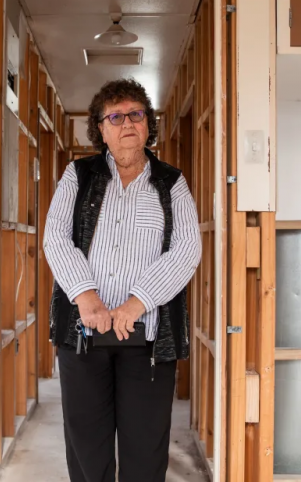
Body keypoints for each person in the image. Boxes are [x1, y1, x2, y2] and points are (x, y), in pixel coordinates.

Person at [43, 78, 201, 482]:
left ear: (148, 125)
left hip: (146, 339)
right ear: (100, 128)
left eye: (136, 113)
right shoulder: (78, 175)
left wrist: (136, 302)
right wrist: (86, 297)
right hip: (83, 335)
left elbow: (186, 250)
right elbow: (55, 236)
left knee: (145, 452)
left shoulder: (171, 183)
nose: (127, 122)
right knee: (87, 449)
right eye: (115, 116)